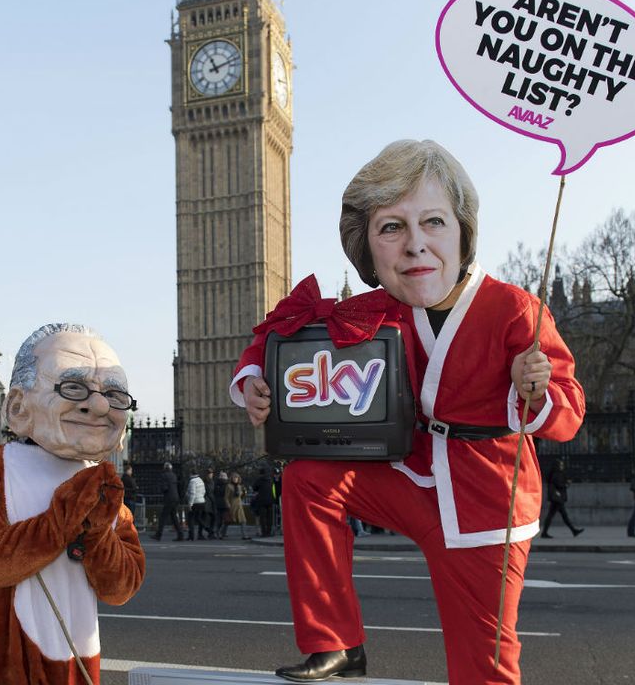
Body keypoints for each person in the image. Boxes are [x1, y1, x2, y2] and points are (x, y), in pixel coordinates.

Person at [232, 140, 585, 684]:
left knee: (483, 668)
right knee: (308, 479)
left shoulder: (513, 307)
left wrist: (535, 392)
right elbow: (292, 328)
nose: (415, 245)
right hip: (411, 474)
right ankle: (337, 644)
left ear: (463, 231)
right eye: (391, 228)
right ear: (369, 250)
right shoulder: (383, 310)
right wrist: (254, 377)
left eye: (434, 222)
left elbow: (569, 413)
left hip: (486, 500)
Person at [0, 322, 145, 684]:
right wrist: (61, 520)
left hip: (78, 661)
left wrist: (97, 532)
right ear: (18, 407)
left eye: (115, 394)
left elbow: (121, 586)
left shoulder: (101, 483)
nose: (99, 405)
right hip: (4, 666)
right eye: (73, 387)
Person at [540, 460, 583, 538]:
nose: (562, 466)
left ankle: (573, 530)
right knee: (560, 515)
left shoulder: (554, 474)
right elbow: (559, 484)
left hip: (556, 498)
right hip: (557, 498)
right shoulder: (557, 474)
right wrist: (566, 484)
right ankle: (573, 530)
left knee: (557, 515)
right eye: (561, 465)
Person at [152, 462, 183, 541]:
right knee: (174, 517)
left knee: (163, 517)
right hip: (175, 498)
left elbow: (164, 488)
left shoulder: (164, 475)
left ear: (165, 468)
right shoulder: (174, 475)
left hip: (169, 498)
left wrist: (161, 489)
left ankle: (158, 535)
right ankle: (180, 534)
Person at [226, 472, 249, 539]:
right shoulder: (229, 486)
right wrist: (228, 505)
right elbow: (226, 497)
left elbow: (241, 497)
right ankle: (222, 533)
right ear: (231, 478)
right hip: (232, 505)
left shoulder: (240, 486)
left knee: (243, 521)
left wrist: (244, 493)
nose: (235, 479)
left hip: (239, 506)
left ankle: (244, 535)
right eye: (234, 477)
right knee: (228, 521)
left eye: (237, 477)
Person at [186, 470, 207, 541]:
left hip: (195, 502)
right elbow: (204, 491)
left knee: (190, 519)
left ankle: (191, 536)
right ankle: (201, 533)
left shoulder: (192, 481)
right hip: (202, 501)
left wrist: (190, 504)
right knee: (199, 518)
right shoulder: (200, 480)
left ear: (191, 474)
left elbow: (192, 493)